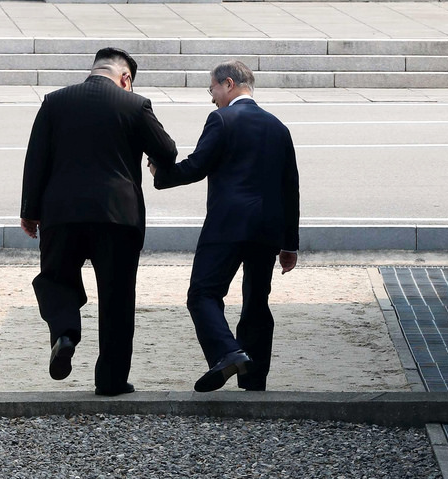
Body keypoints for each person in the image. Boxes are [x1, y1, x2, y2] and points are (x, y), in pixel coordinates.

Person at [20, 47, 178, 396]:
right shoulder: (134, 105)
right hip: (118, 217)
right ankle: (111, 381)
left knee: (55, 279)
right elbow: (167, 151)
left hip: (61, 214)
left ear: (94, 70)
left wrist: (29, 211)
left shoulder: (54, 102)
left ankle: (64, 332)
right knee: (117, 298)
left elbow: (36, 159)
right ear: (125, 78)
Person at [150, 60, 300, 393]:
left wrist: (162, 174)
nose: (212, 97)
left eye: (212, 89)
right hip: (268, 229)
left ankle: (228, 352)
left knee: (203, 293)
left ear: (228, 84)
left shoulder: (221, 118)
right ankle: (253, 378)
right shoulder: (278, 126)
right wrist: (290, 244)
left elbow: (198, 165)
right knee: (256, 301)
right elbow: (291, 187)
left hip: (228, 223)